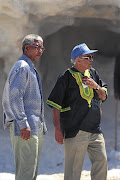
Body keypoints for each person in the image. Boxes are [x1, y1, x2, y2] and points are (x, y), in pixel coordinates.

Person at [46, 43, 108, 180]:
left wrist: (95, 86)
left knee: (101, 162)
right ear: (78, 60)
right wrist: (57, 129)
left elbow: (103, 96)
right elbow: (55, 105)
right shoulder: (65, 77)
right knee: (73, 172)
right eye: (88, 57)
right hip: (75, 131)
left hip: (95, 130)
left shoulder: (93, 74)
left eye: (92, 57)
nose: (92, 59)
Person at [2, 34, 47, 180]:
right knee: (26, 172)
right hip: (25, 127)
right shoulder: (22, 67)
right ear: (27, 48)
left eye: (42, 48)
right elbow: (15, 97)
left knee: (31, 170)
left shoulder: (29, 67)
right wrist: (23, 123)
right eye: (38, 47)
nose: (40, 51)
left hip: (33, 126)